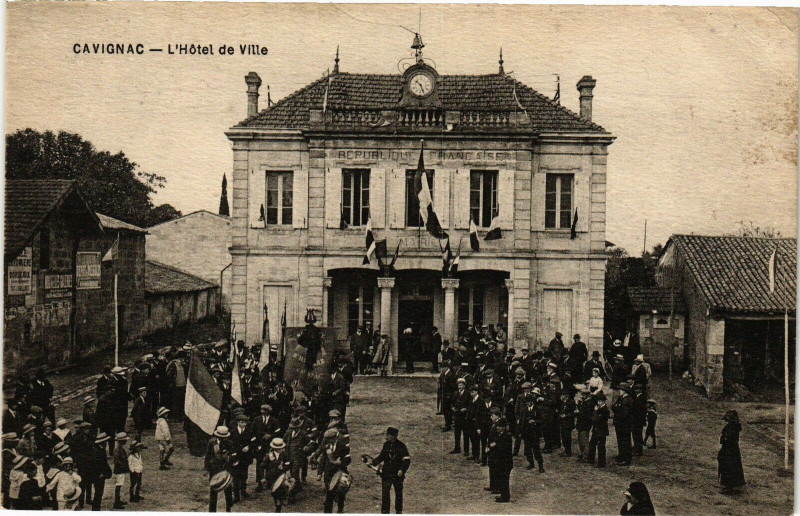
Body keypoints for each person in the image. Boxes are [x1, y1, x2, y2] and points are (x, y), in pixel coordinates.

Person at [370, 426, 410, 514]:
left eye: (388, 435)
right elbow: (382, 456)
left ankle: (398, 511)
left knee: (398, 493)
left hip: (397, 475)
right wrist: (373, 463)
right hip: (386, 474)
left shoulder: (401, 446)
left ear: (393, 436)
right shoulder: (386, 445)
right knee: (385, 494)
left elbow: (407, 460)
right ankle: (385, 512)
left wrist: (402, 470)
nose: (386, 437)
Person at [321, 428, 350, 513]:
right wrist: (320, 473)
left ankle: (340, 511)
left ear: (334, 438)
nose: (326, 441)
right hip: (329, 474)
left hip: (339, 473)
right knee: (328, 497)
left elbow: (348, 459)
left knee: (340, 496)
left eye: (328, 439)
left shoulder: (343, 445)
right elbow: (323, 460)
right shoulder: (327, 446)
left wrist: (340, 463)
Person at [205, 426, 234, 512]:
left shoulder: (230, 443)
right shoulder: (212, 443)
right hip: (214, 469)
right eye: (221, 437)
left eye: (224, 438)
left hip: (226, 469)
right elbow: (208, 456)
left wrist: (228, 458)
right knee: (213, 491)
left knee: (228, 491)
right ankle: (212, 511)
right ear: (217, 436)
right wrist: (207, 468)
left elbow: (233, 456)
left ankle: (228, 509)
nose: (222, 439)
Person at [718, 410, 745, 494]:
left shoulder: (731, 427)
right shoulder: (734, 427)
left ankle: (729, 486)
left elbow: (725, 439)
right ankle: (732, 484)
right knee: (733, 466)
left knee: (728, 466)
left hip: (728, 449)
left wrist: (724, 438)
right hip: (732, 449)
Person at [85, 431, 112, 510]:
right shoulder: (97, 451)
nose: (106, 443)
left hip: (99, 475)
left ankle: (96, 509)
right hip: (98, 476)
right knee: (98, 494)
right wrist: (101, 473)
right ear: (103, 442)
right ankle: (96, 510)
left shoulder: (100, 449)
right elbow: (96, 464)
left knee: (99, 494)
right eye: (105, 442)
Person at [489, 417, 513, 503]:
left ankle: (505, 497)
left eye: (499, 426)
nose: (497, 428)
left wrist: (494, 445)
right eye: (497, 426)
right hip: (501, 462)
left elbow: (504, 448)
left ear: (504, 427)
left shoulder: (507, 436)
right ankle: (503, 495)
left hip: (505, 463)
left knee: (504, 480)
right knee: (502, 479)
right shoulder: (501, 434)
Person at [587, 392, 609, 468]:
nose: (598, 403)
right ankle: (591, 459)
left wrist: (595, 411)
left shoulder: (604, 410)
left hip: (601, 431)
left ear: (603, 401)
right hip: (596, 430)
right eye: (598, 401)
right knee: (592, 445)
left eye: (600, 401)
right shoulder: (600, 408)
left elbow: (596, 419)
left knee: (601, 447)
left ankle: (601, 463)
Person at [450, 378, 470, 456]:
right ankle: (457, 448)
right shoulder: (455, 393)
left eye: (461, 385)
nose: (459, 386)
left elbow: (470, 404)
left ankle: (466, 450)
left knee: (466, 434)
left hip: (464, 417)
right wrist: (453, 408)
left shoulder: (468, 394)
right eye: (458, 385)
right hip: (457, 416)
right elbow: (452, 403)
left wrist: (466, 409)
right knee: (457, 433)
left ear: (464, 386)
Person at [112, 432, 130, 508]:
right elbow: (116, 460)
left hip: (120, 469)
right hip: (119, 469)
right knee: (118, 485)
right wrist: (123, 466)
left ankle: (118, 500)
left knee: (120, 484)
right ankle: (116, 502)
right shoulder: (118, 449)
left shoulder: (120, 448)